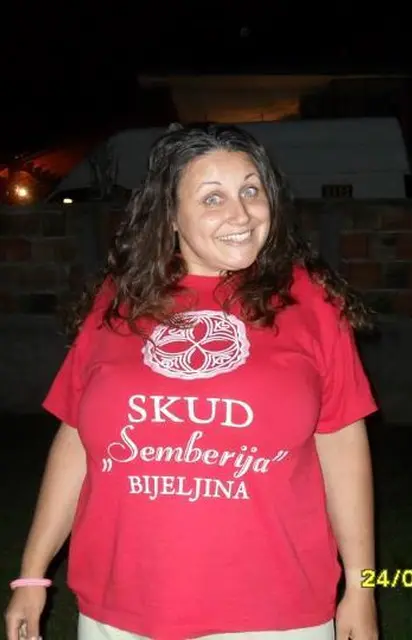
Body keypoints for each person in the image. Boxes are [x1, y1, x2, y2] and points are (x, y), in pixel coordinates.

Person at [5, 123, 378, 640]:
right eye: (212, 198)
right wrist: (31, 575)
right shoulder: (119, 300)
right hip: (120, 611)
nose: (241, 214)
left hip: (273, 611)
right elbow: (76, 441)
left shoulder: (310, 301)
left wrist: (362, 589)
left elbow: (343, 447)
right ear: (170, 214)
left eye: (252, 190)